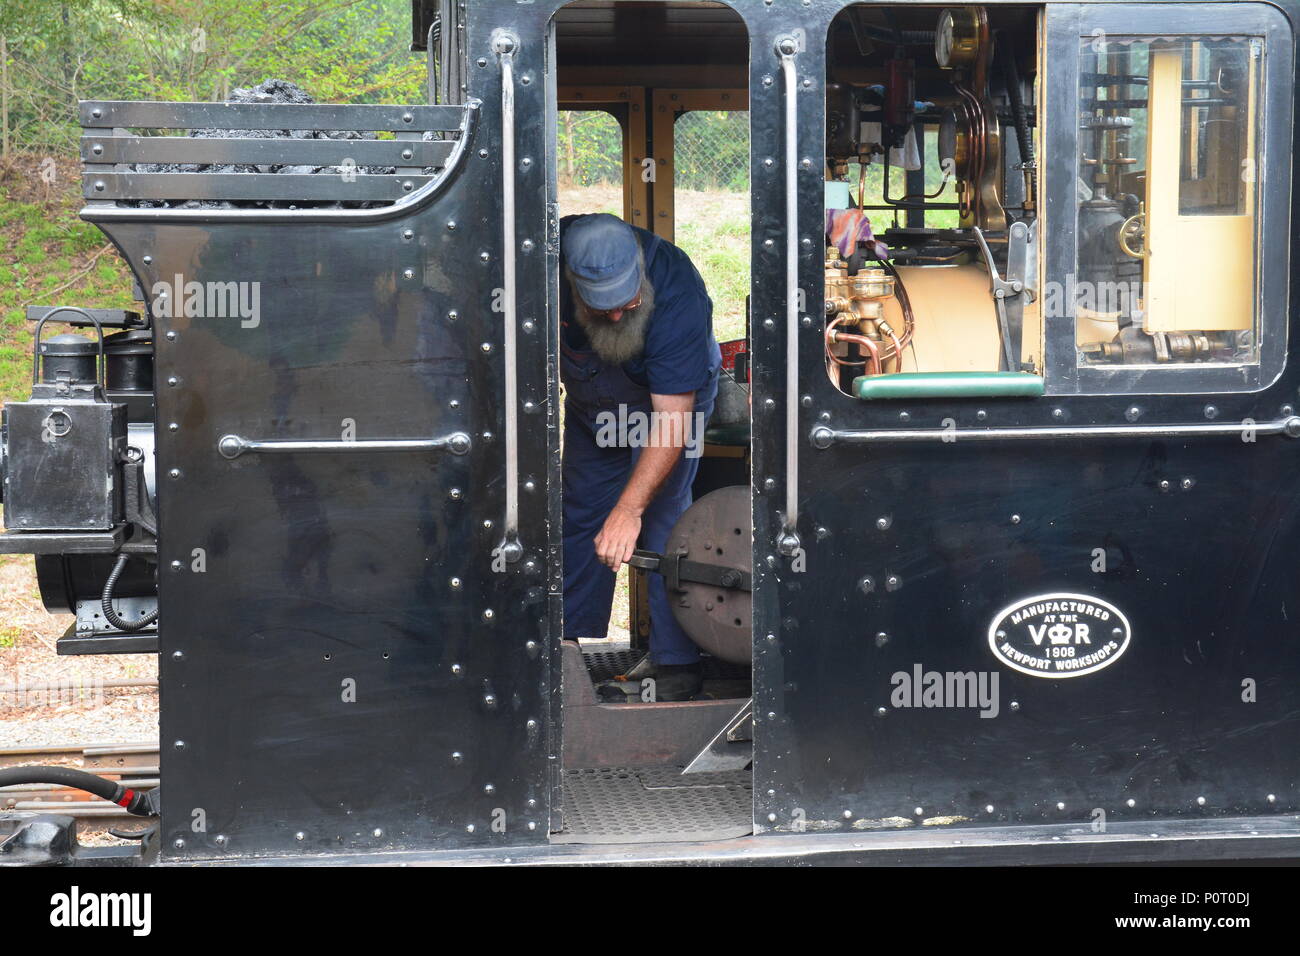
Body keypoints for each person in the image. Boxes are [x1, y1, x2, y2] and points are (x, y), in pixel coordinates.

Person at [560, 213, 721, 701]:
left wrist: (629, 510)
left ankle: (676, 664)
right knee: (581, 509)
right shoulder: (537, 266)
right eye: (600, 307)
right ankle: (563, 651)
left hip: (669, 403)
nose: (614, 318)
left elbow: (672, 419)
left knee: (663, 515)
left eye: (625, 304)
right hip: (594, 400)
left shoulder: (676, 289)